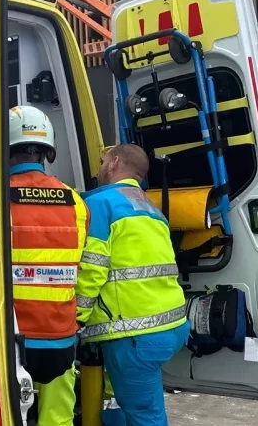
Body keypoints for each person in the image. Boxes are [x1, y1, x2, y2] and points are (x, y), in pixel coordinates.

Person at [75, 144, 189, 426]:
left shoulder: (100, 204)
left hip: (135, 334)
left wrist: (74, 319)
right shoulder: (151, 208)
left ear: (114, 162)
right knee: (126, 404)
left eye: (102, 160)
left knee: (144, 415)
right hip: (171, 325)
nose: (99, 167)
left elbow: (92, 269)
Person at [6, 106, 89, 426]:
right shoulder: (76, 203)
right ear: (47, 152)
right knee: (57, 417)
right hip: (60, 339)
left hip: (11, 339)